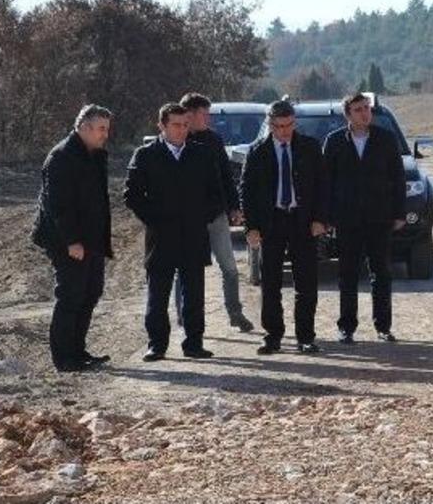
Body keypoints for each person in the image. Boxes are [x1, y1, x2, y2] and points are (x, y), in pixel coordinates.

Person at [124, 103, 223, 362]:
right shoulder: (146, 155)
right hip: (161, 236)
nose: (181, 130)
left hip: (193, 234)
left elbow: (216, 192)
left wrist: (203, 217)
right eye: (176, 125)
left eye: (185, 125)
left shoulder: (201, 154)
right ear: (162, 126)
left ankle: (194, 344)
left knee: (194, 294)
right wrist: (154, 219)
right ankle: (157, 345)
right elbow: (132, 195)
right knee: (158, 295)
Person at [238, 99, 327, 355]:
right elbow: (247, 191)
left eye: (289, 125)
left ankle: (306, 337)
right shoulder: (257, 152)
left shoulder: (310, 147)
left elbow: (323, 186)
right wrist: (251, 227)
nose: (285, 131)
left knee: (307, 283)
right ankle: (273, 336)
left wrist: (320, 219)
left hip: (304, 222)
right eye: (279, 126)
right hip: (271, 223)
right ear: (270, 125)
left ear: (294, 122)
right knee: (271, 284)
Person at [32, 104, 114, 372]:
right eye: (101, 129)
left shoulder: (96, 154)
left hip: (91, 240)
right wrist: (72, 241)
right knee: (70, 296)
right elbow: (58, 205)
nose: (105, 135)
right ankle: (64, 359)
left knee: (91, 292)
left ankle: (78, 351)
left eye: (107, 129)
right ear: (84, 127)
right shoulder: (61, 157)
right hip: (66, 241)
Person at [322, 92, 405, 344]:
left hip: (379, 217)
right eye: (358, 109)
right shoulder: (334, 141)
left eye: (367, 108)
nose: (365, 113)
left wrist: (399, 213)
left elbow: (398, 179)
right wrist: (326, 216)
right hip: (347, 220)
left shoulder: (386, 140)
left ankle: (383, 327)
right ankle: (346, 328)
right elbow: (325, 182)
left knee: (381, 273)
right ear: (347, 114)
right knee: (348, 274)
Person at [177, 92, 255, 333]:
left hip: (216, 215)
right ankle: (184, 315)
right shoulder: (177, 141)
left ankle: (235, 312)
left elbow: (225, 176)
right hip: (187, 219)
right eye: (204, 114)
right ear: (189, 114)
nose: (207, 118)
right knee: (186, 269)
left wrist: (234, 207)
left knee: (230, 267)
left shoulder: (213, 140)